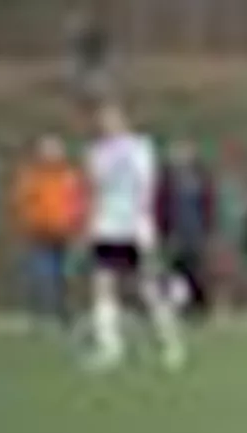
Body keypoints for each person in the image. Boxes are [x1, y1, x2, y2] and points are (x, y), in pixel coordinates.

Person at [83, 101, 186, 371]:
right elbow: (95, 188)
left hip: (135, 228)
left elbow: (145, 184)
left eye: (112, 120)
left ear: (123, 121)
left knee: (147, 288)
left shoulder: (139, 148)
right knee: (102, 286)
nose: (107, 126)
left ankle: (170, 344)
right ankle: (110, 348)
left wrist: (142, 222)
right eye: (103, 121)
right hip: (106, 227)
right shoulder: (95, 153)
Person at [11, 133, 87, 328]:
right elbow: (22, 202)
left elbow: (79, 201)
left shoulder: (70, 176)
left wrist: (78, 225)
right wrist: (28, 223)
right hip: (39, 233)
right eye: (46, 150)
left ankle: (65, 314)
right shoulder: (31, 176)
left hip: (65, 233)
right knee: (42, 276)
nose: (50, 154)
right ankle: (42, 314)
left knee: (65, 277)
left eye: (54, 149)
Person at [156, 139, 218, 319]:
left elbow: (208, 204)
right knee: (176, 270)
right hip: (176, 231)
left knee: (195, 270)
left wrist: (207, 227)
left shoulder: (199, 177)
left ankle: (199, 305)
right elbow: (161, 206)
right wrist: (163, 229)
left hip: (195, 230)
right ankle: (181, 305)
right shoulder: (168, 180)